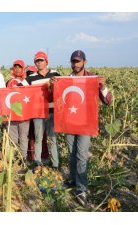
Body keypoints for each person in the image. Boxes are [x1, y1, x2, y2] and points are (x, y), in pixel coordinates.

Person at [63, 50, 112, 206]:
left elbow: (108, 101)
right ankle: (73, 180)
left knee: (81, 156)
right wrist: (53, 87)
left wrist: (103, 87)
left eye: (78, 61)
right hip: (70, 122)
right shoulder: (67, 79)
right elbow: (58, 98)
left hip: (85, 123)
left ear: (84, 61)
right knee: (71, 154)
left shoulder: (92, 79)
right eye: (73, 61)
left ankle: (82, 189)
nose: (75, 64)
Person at [19, 51, 60, 170]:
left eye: (41, 60)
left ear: (46, 62)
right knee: (38, 138)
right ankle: (37, 162)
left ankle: (55, 164)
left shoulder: (56, 74)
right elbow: (19, 87)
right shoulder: (31, 77)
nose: (39, 62)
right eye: (37, 61)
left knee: (53, 138)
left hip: (52, 112)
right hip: (38, 112)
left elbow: (62, 88)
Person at [6, 60, 29, 160]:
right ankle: (14, 160)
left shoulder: (27, 82)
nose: (17, 69)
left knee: (23, 138)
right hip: (12, 116)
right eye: (15, 67)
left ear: (23, 69)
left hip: (24, 116)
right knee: (13, 140)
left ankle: (23, 159)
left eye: (19, 67)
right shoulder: (8, 82)